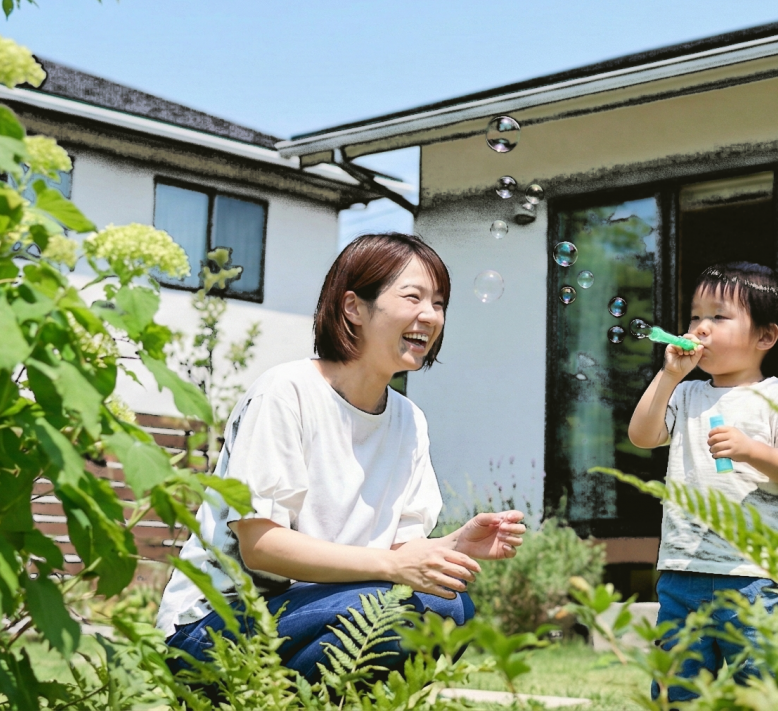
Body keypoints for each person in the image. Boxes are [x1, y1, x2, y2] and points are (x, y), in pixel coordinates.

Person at [156, 233, 527, 683]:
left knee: (446, 606)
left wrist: (452, 546)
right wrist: (395, 566)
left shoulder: (409, 421)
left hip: (326, 610)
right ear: (353, 307)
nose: (430, 316)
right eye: (413, 297)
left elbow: (398, 553)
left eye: (439, 303)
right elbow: (260, 547)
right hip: (215, 627)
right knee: (392, 609)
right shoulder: (286, 393)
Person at [627, 262, 778, 703]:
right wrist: (669, 375)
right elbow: (641, 436)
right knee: (678, 690)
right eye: (695, 316)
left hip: (755, 578)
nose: (700, 328)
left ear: (765, 337)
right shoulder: (686, 393)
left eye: (718, 316)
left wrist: (751, 450)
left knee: (765, 690)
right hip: (683, 572)